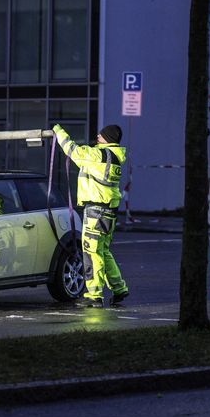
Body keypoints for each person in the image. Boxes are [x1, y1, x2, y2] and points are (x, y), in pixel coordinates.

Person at [52, 123, 129, 308]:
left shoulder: (97, 155)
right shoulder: (113, 156)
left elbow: (73, 151)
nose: (97, 136)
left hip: (95, 211)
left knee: (91, 252)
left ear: (107, 139)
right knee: (103, 251)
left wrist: (58, 130)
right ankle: (119, 288)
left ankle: (94, 295)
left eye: (101, 135)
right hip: (109, 212)